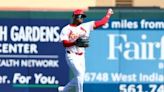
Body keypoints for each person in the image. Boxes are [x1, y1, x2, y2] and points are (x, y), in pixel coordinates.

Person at [58, 8, 113, 92]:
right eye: (80, 16)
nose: (82, 18)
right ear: (74, 16)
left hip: (81, 56)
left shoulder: (86, 26)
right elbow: (65, 43)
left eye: (83, 16)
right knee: (79, 74)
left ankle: (64, 89)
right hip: (71, 55)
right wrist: (75, 43)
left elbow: (102, 22)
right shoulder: (66, 29)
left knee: (80, 77)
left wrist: (108, 14)